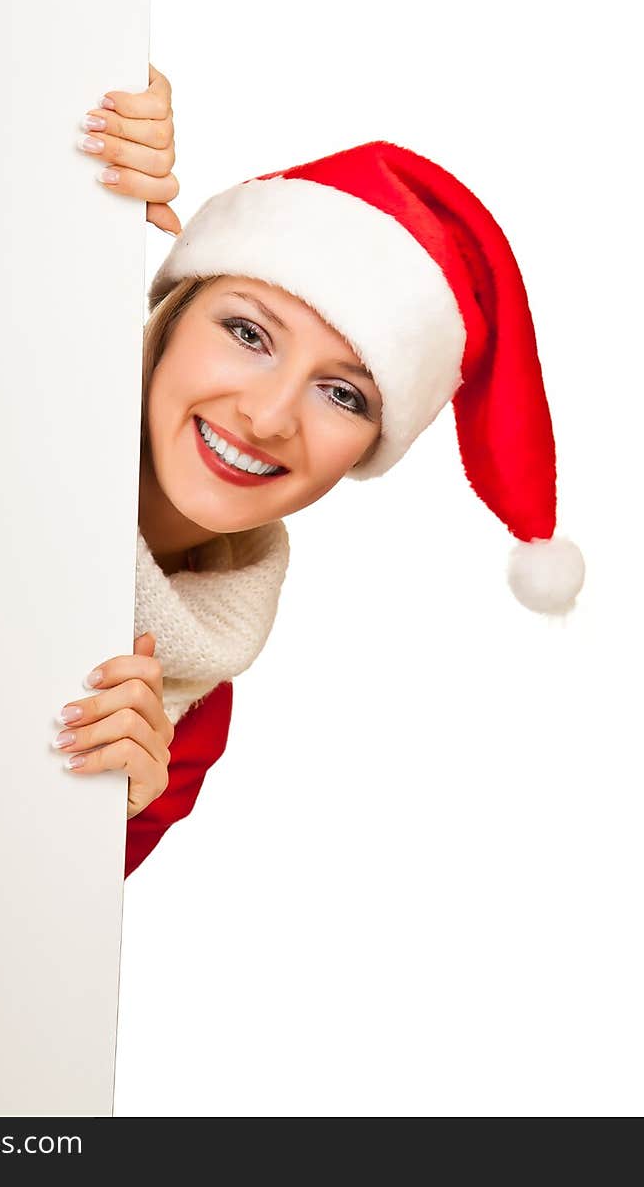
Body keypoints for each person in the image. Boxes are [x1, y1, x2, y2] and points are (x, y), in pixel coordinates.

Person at [57, 64, 586, 879]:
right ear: (168, 318)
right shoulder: (13, 415)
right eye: (247, 333)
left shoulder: (192, 710)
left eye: (343, 394)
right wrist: (83, 115)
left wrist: (92, 823)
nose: (268, 418)